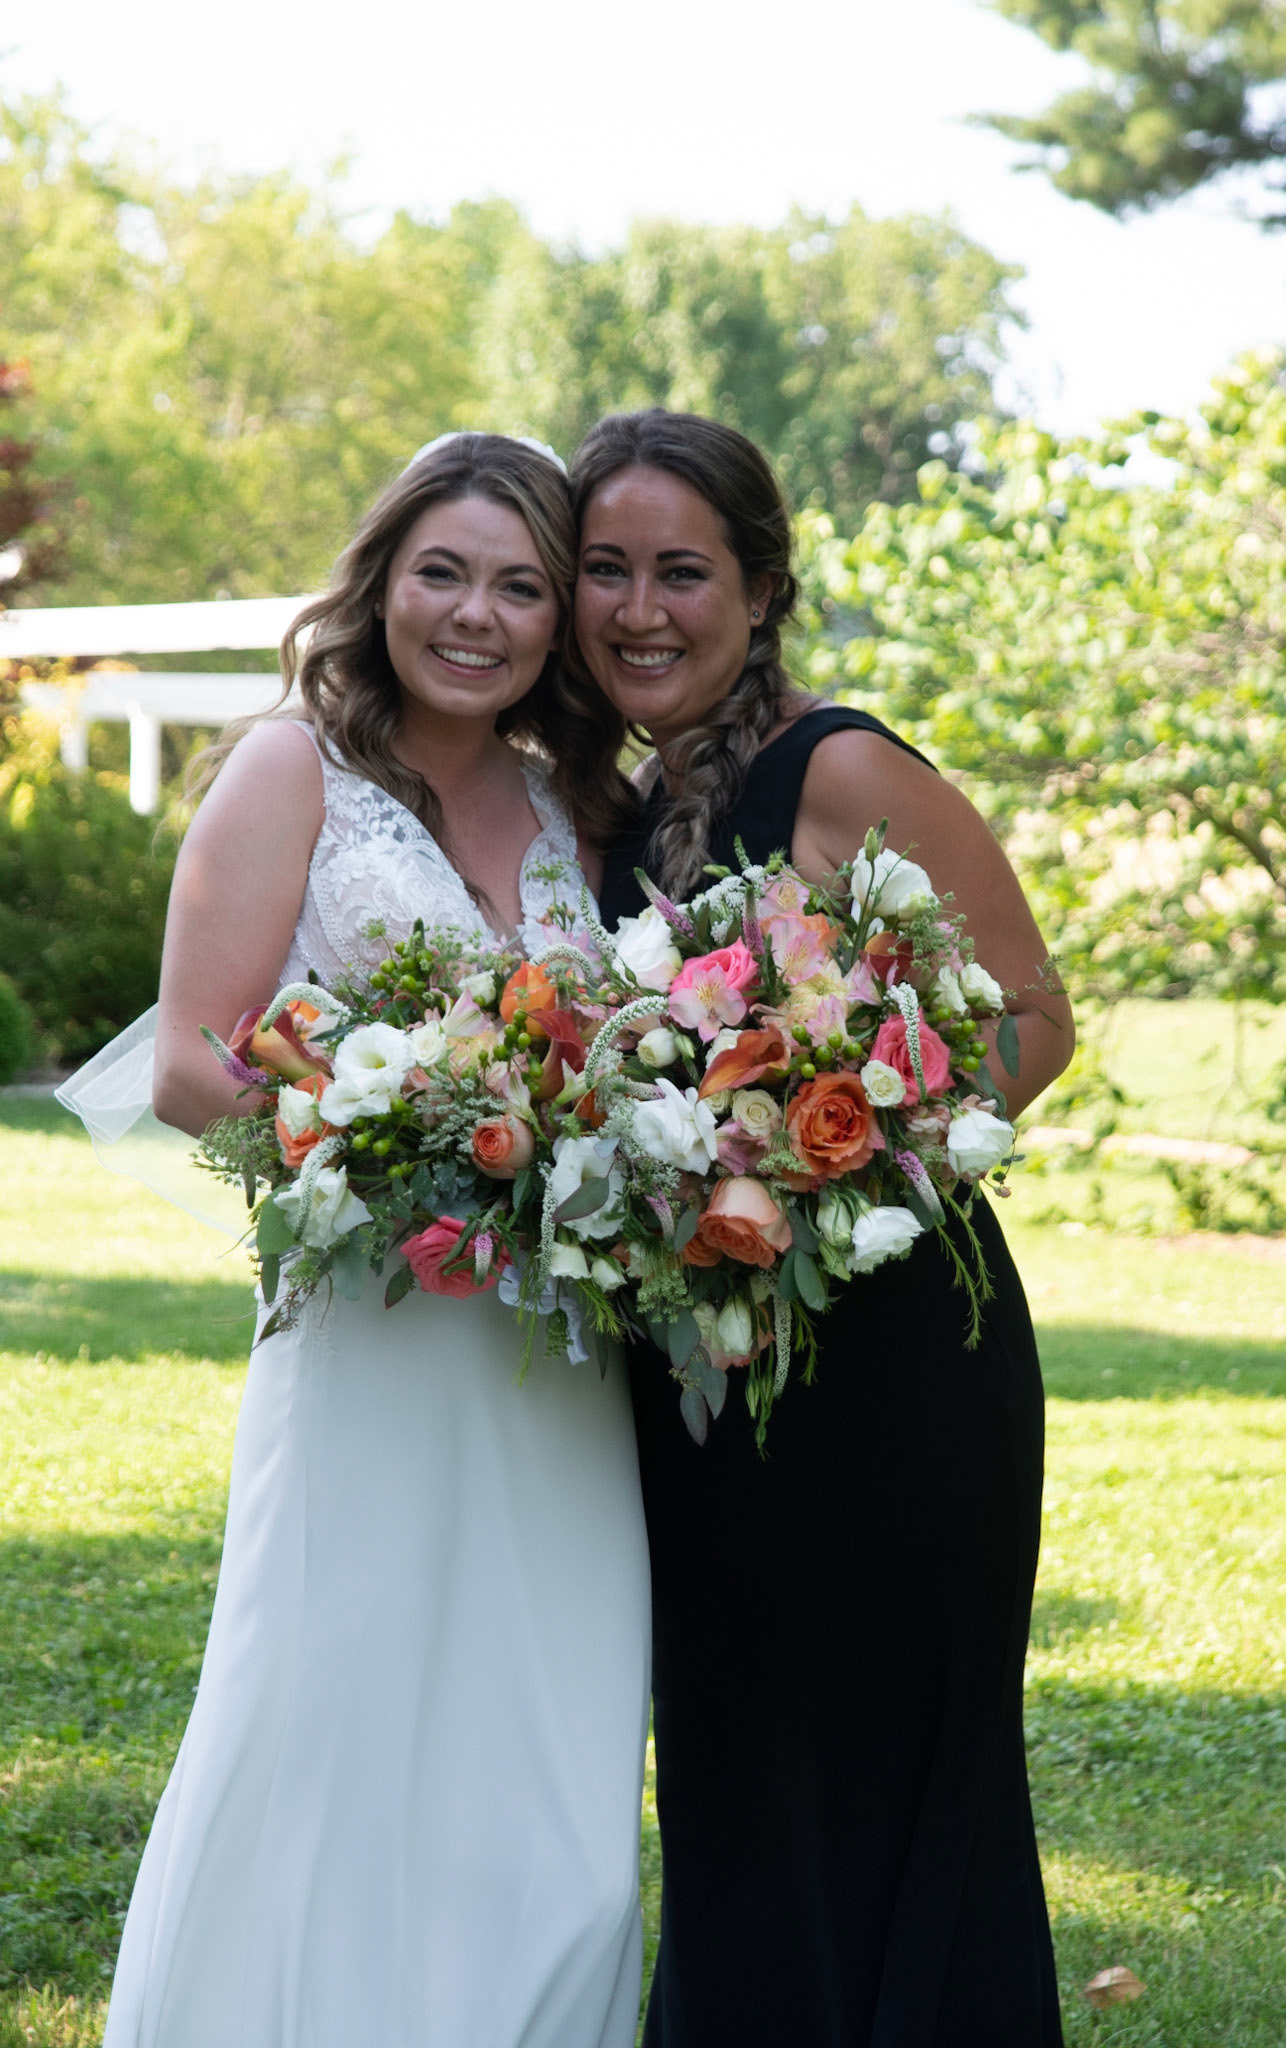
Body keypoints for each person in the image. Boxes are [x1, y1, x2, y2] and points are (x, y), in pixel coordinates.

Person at [95, 434, 651, 2048]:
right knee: (333, 1741)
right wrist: (405, 1157)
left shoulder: (573, 803)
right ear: (380, 581)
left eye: (519, 586)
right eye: (442, 573)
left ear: (556, 619)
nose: (475, 615)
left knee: (552, 1778)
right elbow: (191, 1061)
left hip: (559, 1358)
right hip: (374, 1335)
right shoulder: (292, 770)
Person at [571, 408, 1075, 2048]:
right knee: (736, 1778)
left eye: (680, 571)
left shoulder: (838, 766)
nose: (639, 608)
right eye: (603, 569)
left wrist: (820, 1170)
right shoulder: (619, 805)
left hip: (888, 1362)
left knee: (892, 1777)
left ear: (762, 588)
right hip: (700, 1368)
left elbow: (1032, 1018)